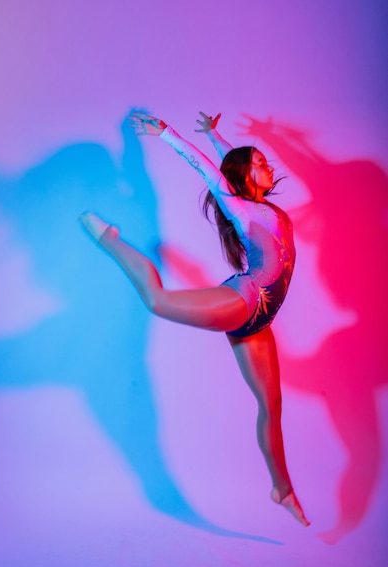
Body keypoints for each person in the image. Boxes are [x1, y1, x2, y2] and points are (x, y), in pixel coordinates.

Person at [80, 111, 310, 527]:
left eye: (264, 160)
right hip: (244, 300)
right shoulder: (238, 207)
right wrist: (168, 133)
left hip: (259, 322)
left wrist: (217, 135)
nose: (268, 165)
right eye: (259, 163)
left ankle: (283, 489)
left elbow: (229, 161)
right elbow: (211, 172)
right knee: (157, 300)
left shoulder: (264, 207)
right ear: (243, 177)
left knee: (271, 405)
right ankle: (111, 242)